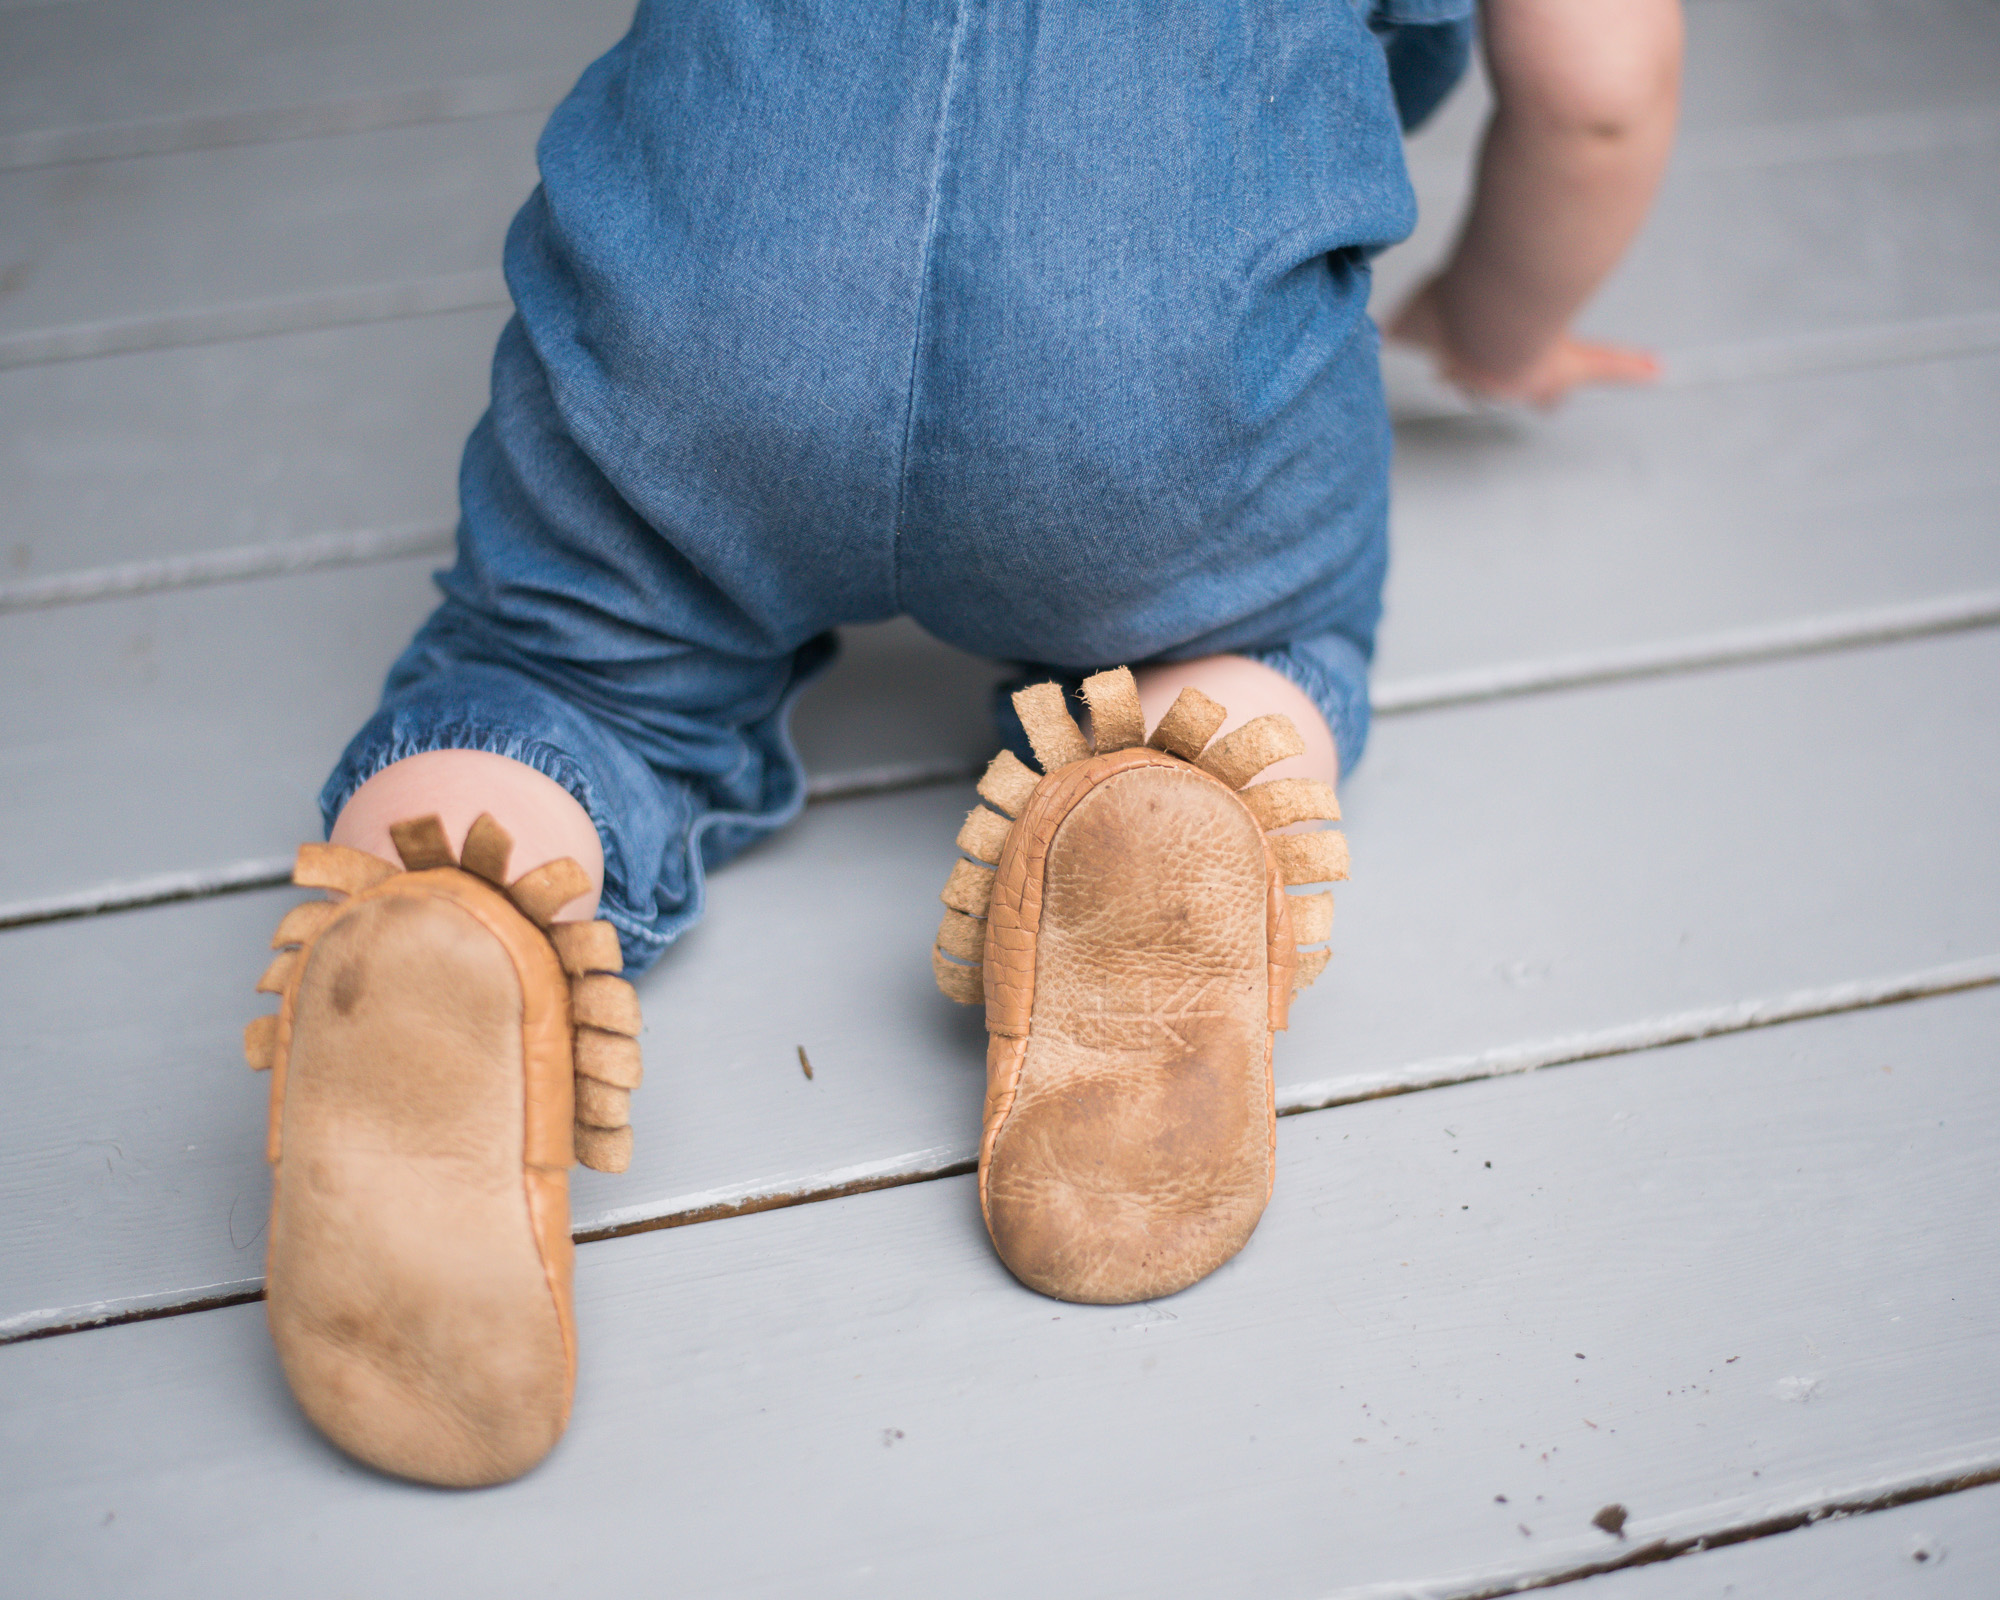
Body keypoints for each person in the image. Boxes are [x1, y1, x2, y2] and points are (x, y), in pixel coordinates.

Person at [244, 0, 1684, 1486]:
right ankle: (1181, 787)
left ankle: (454, 898)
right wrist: (1499, 326)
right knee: (1249, 647)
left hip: (711, 305)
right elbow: (1597, 92)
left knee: (562, 674)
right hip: (1160, 382)